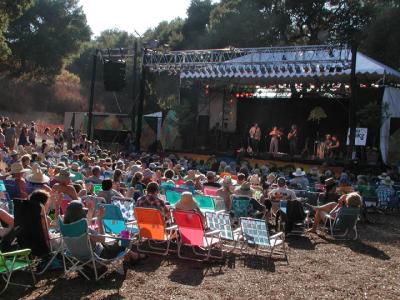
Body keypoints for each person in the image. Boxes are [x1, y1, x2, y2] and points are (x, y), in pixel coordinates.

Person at [63, 200, 145, 264]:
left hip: (79, 257)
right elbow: (103, 239)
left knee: (117, 240)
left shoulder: (66, 227)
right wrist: (99, 220)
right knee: (125, 235)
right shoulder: (85, 229)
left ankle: (133, 255)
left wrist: (92, 212)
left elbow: (88, 227)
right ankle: (133, 256)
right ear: (80, 215)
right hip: (100, 256)